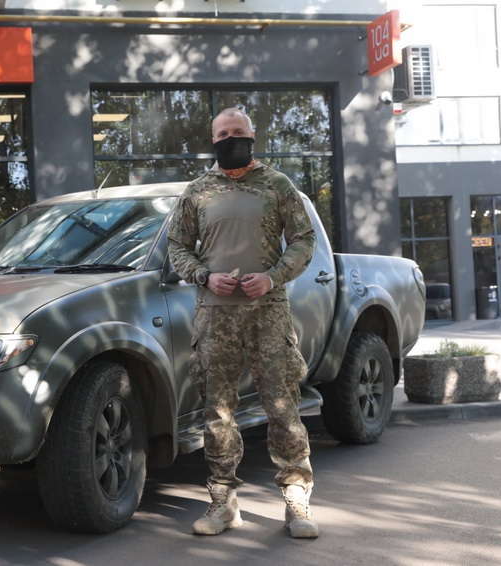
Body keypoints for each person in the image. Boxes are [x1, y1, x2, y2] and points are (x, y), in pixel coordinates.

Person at [167, 107, 319, 538]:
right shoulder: (197, 191)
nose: (230, 138)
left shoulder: (277, 184)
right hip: (214, 315)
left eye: (238, 131)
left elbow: (304, 239)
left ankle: (297, 501)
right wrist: (203, 275)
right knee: (217, 412)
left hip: (268, 312)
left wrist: (273, 276)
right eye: (222, 133)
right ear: (213, 140)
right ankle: (222, 502)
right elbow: (177, 247)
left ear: (252, 136)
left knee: (282, 406)